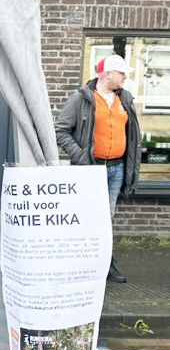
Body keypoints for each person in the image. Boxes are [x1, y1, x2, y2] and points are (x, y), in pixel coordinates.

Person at [55, 54, 142, 283]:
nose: (125, 77)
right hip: (90, 169)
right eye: (121, 73)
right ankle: (81, 267)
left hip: (116, 169)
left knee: (107, 219)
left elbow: (132, 135)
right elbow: (61, 131)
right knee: (85, 218)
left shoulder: (125, 99)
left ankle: (106, 265)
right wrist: (81, 157)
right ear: (106, 74)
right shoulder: (81, 99)